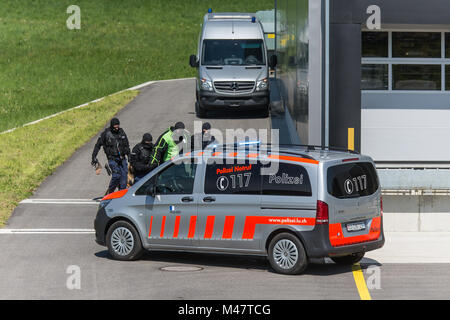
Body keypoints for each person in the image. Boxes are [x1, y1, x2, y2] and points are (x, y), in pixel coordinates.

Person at [91, 118, 130, 194]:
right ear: (112, 126)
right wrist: (94, 157)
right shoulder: (105, 134)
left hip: (122, 159)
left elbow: (126, 145)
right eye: (115, 126)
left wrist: (129, 156)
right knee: (116, 176)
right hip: (112, 159)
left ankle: (120, 195)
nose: (117, 128)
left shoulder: (122, 132)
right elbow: (97, 146)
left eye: (117, 126)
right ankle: (110, 192)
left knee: (124, 179)